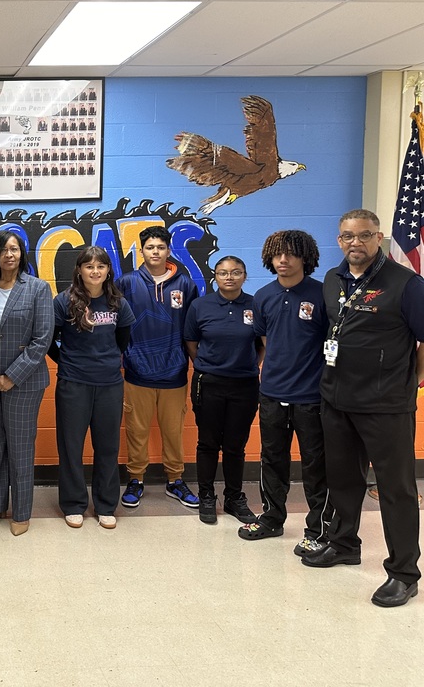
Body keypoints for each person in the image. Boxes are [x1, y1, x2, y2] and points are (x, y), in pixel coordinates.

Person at [304, 209, 424, 607]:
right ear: (339, 239)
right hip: (337, 398)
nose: (355, 242)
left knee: (396, 490)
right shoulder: (332, 279)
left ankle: (404, 574)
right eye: (347, 236)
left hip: (385, 405)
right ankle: (343, 544)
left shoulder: (405, 283)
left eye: (364, 235)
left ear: (379, 237)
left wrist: (413, 381)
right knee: (342, 480)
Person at [238, 230, 330, 555]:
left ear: (305, 257)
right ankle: (272, 519)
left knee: (315, 464)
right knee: (272, 458)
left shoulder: (322, 294)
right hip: (272, 393)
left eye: (290, 254)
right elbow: (266, 341)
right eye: (277, 254)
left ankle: (319, 530)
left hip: (311, 396)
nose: (283, 260)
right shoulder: (263, 296)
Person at [0, 231, 53, 536]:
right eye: (3, 250)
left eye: (14, 249)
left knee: (20, 447)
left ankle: (22, 512)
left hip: (24, 382)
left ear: (21, 253)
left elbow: (42, 339)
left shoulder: (38, 288)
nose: (9, 255)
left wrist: (12, 376)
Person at [49, 246, 134, 530]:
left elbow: (123, 340)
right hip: (74, 384)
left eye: (101, 266)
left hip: (109, 384)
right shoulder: (63, 301)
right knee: (71, 447)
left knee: (108, 447)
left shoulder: (118, 303)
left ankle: (106, 505)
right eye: (89, 266)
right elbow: (49, 341)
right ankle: (74, 504)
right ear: (79, 270)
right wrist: (69, 362)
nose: (95, 271)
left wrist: (105, 362)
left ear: (108, 270)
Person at [118, 225, 199, 509]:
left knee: (173, 431)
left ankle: (175, 480)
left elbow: (192, 328)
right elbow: (116, 324)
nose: (155, 252)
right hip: (137, 371)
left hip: (174, 372)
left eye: (161, 247)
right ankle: (136, 479)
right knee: (136, 430)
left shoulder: (185, 285)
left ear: (168, 250)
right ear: (141, 251)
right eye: (150, 247)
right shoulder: (126, 283)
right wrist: (125, 356)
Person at [183, 256, 261, 525]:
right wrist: (208, 366)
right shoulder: (200, 305)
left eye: (236, 272)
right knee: (207, 442)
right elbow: (191, 341)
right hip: (209, 383)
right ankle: (206, 496)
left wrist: (250, 364)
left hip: (245, 384)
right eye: (223, 273)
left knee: (235, 445)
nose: (229, 277)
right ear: (215, 276)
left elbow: (262, 343)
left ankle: (234, 497)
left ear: (245, 276)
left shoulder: (255, 305)